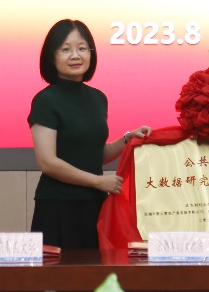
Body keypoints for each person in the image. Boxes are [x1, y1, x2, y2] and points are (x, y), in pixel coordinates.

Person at [28, 19, 151, 249]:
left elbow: (95, 154)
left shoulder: (98, 98)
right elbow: (47, 162)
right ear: (51, 56)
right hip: (58, 207)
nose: (75, 55)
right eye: (65, 49)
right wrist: (98, 181)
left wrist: (127, 139)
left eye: (82, 48)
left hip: (95, 204)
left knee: (97, 270)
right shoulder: (45, 100)